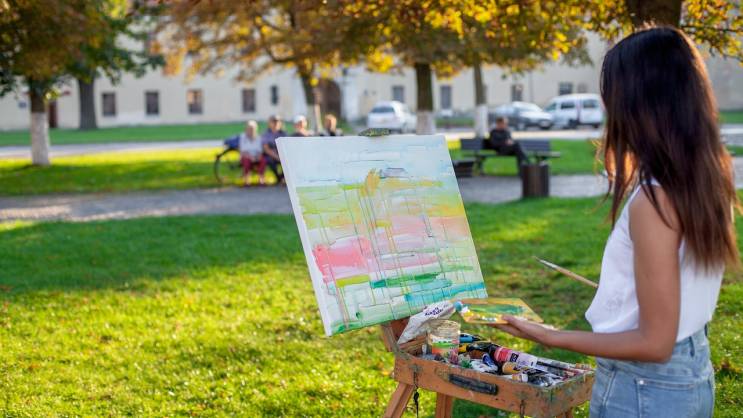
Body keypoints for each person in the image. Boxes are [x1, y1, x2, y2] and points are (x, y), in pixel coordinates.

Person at [492, 27, 738, 418]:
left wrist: (551, 336)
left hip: (645, 389)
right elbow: (679, 291)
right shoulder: (706, 177)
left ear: (639, 103)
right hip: (688, 374)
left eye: (612, 98)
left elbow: (655, 343)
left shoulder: (654, 199)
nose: (609, 113)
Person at [238, 120, 266, 186]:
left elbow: (260, 150)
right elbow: (243, 151)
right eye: (249, 128)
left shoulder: (258, 137)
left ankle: (261, 179)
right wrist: (251, 158)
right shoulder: (242, 137)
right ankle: (247, 180)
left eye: (253, 128)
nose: (251, 130)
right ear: (246, 129)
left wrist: (258, 157)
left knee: (263, 160)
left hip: (256, 156)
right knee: (246, 161)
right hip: (246, 156)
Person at [260, 114, 286, 183]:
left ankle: (283, 178)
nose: (276, 123)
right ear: (269, 123)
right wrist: (277, 157)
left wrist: (282, 156)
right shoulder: (266, 134)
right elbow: (266, 149)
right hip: (270, 155)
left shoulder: (284, 133)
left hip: (282, 154)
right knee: (269, 160)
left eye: (278, 121)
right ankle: (278, 178)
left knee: (288, 161)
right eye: (274, 121)